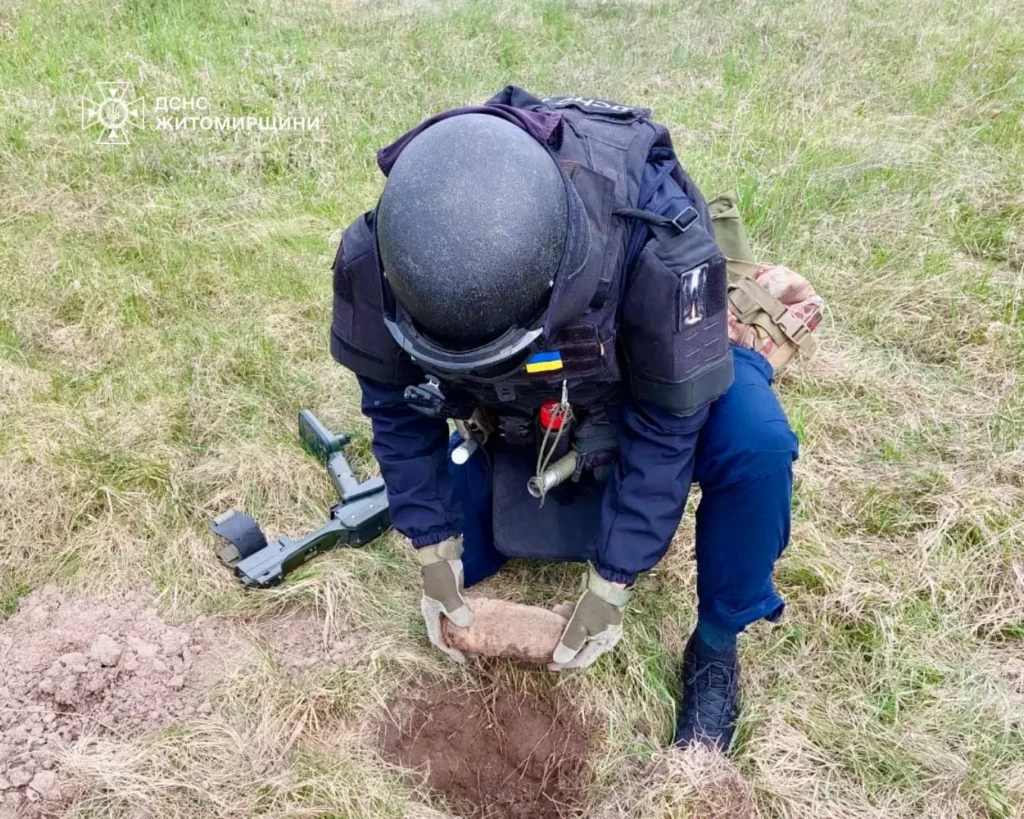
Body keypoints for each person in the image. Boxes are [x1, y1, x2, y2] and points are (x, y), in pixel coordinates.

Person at [329, 87, 817, 751]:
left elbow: (669, 428)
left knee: (756, 445)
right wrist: (433, 548)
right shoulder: (387, 253)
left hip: (643, 378)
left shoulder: (656, 249)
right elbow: (394, 409)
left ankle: (716, 642)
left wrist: (614, 579)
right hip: (522, 411)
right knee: (470, 556)